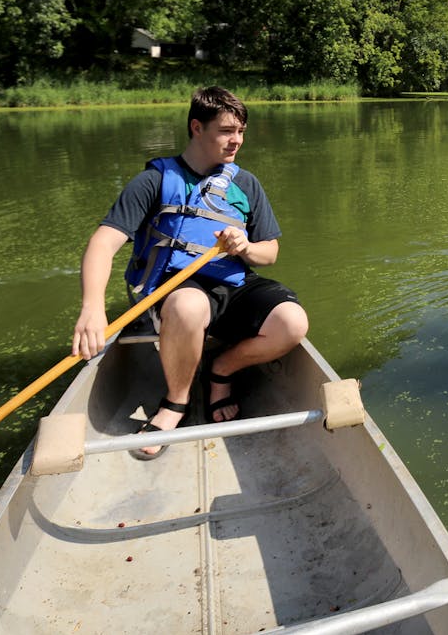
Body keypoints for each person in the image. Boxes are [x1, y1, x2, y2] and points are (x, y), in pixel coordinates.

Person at [71, 86, 309, 460]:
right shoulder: (153, 181)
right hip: (175, 289)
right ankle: (175, 402)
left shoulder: (245, 184)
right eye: (226, 131)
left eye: (241, 132)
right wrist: (91, 306)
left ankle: (221, 369)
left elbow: (271, 252)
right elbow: (103, 243)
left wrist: (245, 248)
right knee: (188, 305)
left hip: (232, 286)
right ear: (197, 127)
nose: (236, 141)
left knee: (292, 323)